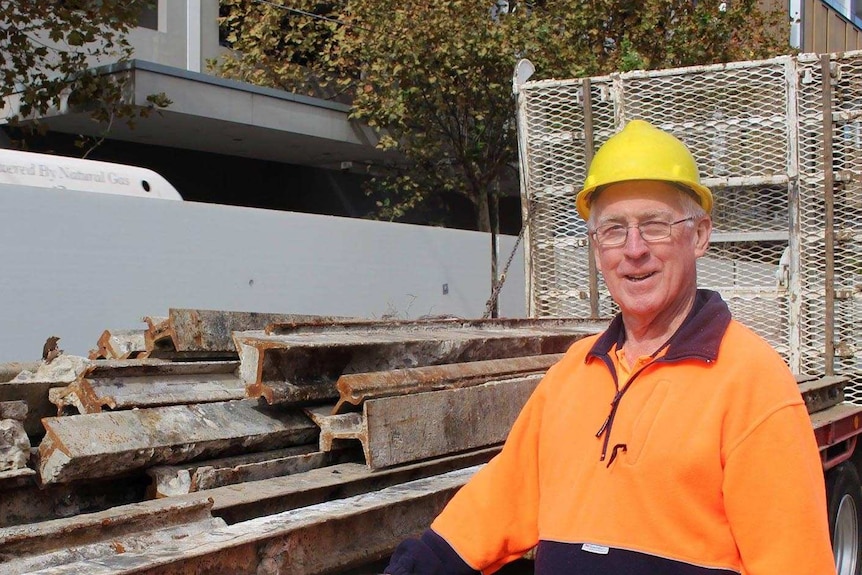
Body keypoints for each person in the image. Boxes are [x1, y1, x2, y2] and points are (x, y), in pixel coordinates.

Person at [384, 120, 836, 575]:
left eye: (654, 225)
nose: (634, 249)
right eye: (614, 229)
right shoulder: (574, 373)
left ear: (699, 235)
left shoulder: (751, 381)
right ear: (597, 248)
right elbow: (496, 503)